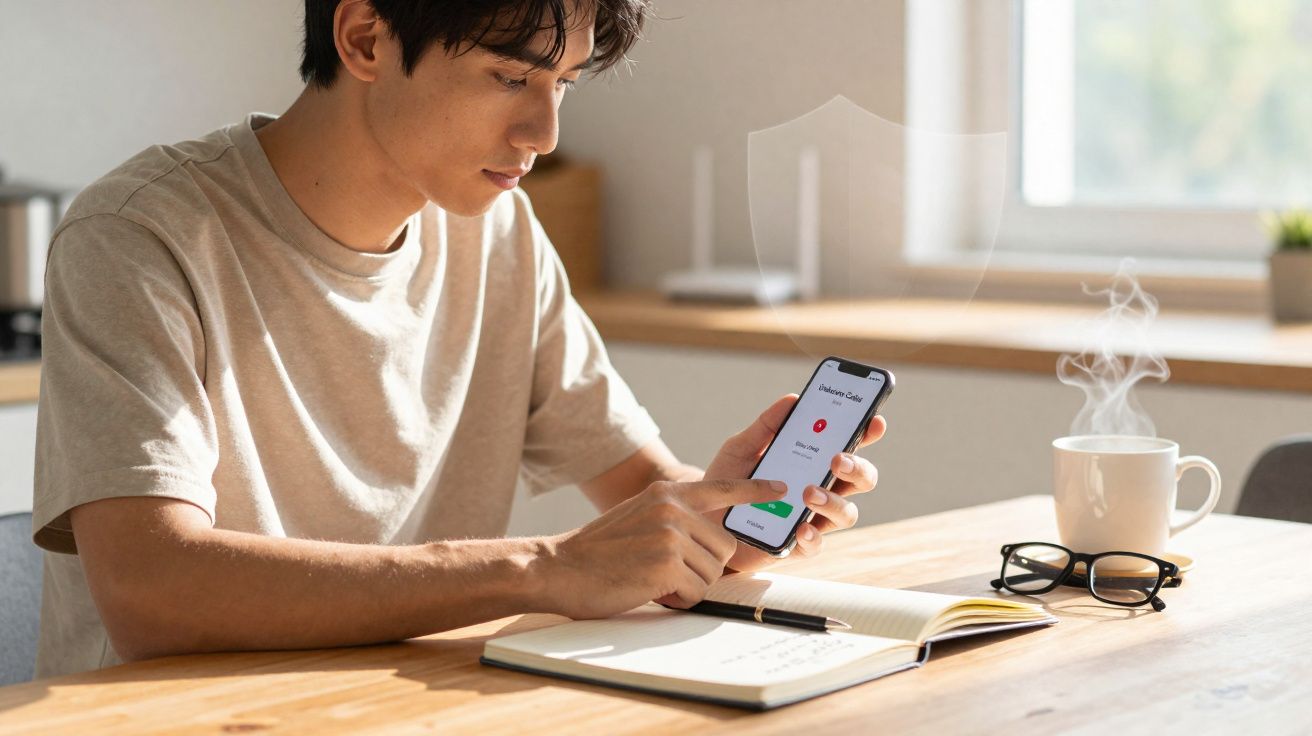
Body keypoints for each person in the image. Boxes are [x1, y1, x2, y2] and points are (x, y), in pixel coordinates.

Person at [30, 0, 886, 679]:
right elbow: (151, 591)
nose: (544, 134)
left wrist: (723, 514)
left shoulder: (497, 229)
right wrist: (542, 568)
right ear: (365, 38)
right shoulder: (138, 236)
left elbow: (637, 494)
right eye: (510, 76)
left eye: (565, 83)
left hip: (411, 707)